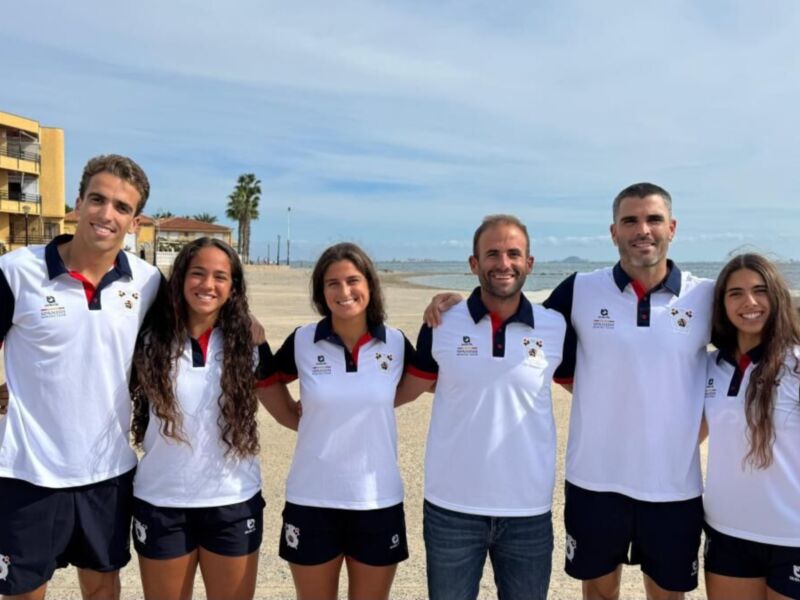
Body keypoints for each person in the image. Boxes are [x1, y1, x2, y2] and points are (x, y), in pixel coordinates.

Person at [425, 185, 713, 600]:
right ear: (613, 232)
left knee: (668, 595)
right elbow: (514, 307)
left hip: (672, 485)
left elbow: (750, 351)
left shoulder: (705, 296)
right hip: (593, 481)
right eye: (630, 221)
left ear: (672, 227)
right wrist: (457, 302)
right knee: (597, 591)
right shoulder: (580, 289)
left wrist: (692, 429)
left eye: (652, 220)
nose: (642, 230)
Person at [0, 155, 162, 599]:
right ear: (78, 203)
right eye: (97, 199)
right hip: (27, 472)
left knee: (102, 588)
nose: (106, 214)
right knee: (24, 592)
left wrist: (247, 326)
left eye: (121, 207)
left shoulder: (147, 283)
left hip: (107, 472)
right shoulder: (17, 272)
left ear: (135, 221)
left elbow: (188, 333)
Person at [398, 214, 566, 600]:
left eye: (513, 254)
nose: (503, 263)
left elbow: (592, 388)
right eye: (492, 254)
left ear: (529, 263)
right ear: (474, 264)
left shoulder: (556, 326)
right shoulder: (441, 322)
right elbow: (413, 385)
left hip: (528, 510)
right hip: (451, 509)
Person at [126, 237, 295, 600]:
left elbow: (287, 413)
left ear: (233, 287)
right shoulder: (148, 338)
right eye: (198, 273)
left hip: (232, 502)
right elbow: (96, 379)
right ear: (181, 278)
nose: (208, 284)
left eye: (221, 276)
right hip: (162, 502)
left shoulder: (248, 343)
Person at [262, 242, 413, 600]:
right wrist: (303, 420)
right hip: (312, 498)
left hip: (376, 500)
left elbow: (429, 381)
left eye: (353, 280)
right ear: (321, 291)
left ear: (370, 285)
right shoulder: (303, 340)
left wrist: (445, 308)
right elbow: (267, 381)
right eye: (332, 283)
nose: (344, 291)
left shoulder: (394, 342)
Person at [702, 254, 800, 600]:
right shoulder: (709, 366)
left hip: (793, 536)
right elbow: (684, 437)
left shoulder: (796, 363)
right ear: (722, 304)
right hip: (727, 531)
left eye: (760, 291)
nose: (750, 302)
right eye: (736, 293)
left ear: (777, 297)